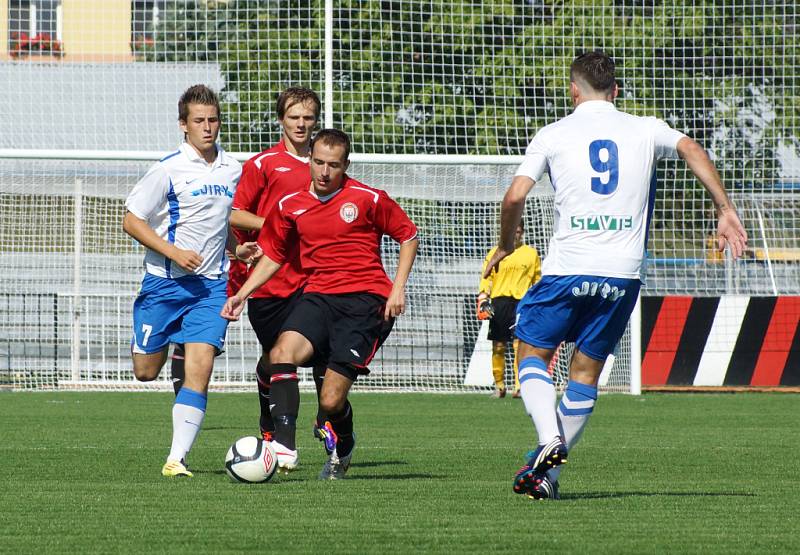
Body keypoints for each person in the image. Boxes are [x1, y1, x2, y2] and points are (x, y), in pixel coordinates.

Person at [484, 51, 747, 500]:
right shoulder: (645, 127)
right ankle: (548, 476)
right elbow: (692, 148)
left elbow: (514, 197)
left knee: (531, 352)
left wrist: (507, 244)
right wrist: (724, 209)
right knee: (585, 372)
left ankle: (549, 439)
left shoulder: (554, 133)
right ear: (616, 91)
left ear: (573, 90)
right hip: (623, 276)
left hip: (569, 268)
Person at [221, 128, 419, 480]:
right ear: (309, 159)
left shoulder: (368, 198)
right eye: (318, 163)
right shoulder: (290, 205)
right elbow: (274, 257)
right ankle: (283, 445)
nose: (325, 172)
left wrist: (397, 289)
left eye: (334, 165)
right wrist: (242, 293)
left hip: (366, 302)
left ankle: (344, 443)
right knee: (281, 352)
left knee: (330, 401)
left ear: (346, 165)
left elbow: (408, 235)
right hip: (317, 296)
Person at [174, 86, 329, 472]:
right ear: (282, 120)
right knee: (275, 358)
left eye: (308, 118)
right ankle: (270, 422)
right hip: (268, 284)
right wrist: (280, 227)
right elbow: (234, 214)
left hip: (313, 279)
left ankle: (291, 438)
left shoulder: (325, 164)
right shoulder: (262, 164)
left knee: (311, 357)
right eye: (294, 117)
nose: (301, 124)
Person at [123, 84, 255, 478]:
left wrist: (237, 249)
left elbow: (219, 222)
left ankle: (176, 459)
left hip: (211, 286)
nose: (208, 127)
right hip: (164, 284)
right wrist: (173, 252)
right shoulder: (166, 168)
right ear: (184, 125)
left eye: (213, 120)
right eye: (199, 121)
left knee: (201, 369)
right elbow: (132, 219)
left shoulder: (233, 169)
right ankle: (161, 339)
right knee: (146, 371)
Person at [477, 221, 541, 398]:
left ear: (523, 232)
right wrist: (483, 297)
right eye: (513, 230)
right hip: (499, 302)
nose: (516, 234)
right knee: (498, 345)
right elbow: (486, 277)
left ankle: (520, 387)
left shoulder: (531, 253)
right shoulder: (495, 252)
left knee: (519, 345)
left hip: (522, 303)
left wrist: (537, 302)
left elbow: (537, 279)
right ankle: (499, 386)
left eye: (519, 231)